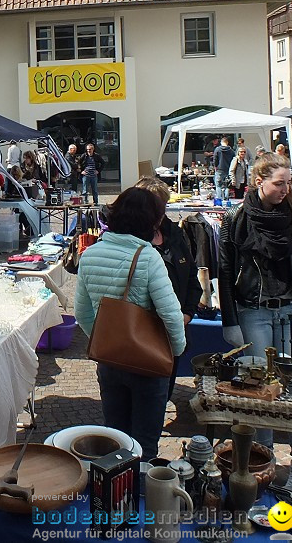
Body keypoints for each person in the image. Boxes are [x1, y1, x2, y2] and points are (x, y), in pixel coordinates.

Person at [218, 153, 292, 488]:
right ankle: (266, 460)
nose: (285, 188)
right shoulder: (235, 218)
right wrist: (230, 320)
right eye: (279, 183)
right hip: (253, 310)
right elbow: (226, 271)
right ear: (258, 181)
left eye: (289, 182)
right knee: (260, 390)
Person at [75, 187, 186, 459]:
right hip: (148, 364)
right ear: (151, 221)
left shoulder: (90, 254)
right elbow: (171, 314)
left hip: (110, 361)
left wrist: (104, 341)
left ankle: (114, 493)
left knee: (115, 438)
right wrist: (176, 350)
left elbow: (81, 312)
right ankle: (137, 496)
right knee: (145, 446)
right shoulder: (148, 257)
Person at [135, 177, 201, 407]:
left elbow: (192, 277)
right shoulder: (130, 241)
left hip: (174, 331)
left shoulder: (174, 234)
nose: (159, 213)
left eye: (162, 206)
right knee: (142, 401)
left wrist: (187, 314)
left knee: (162, 394)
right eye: (153, 206)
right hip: (139, 337)